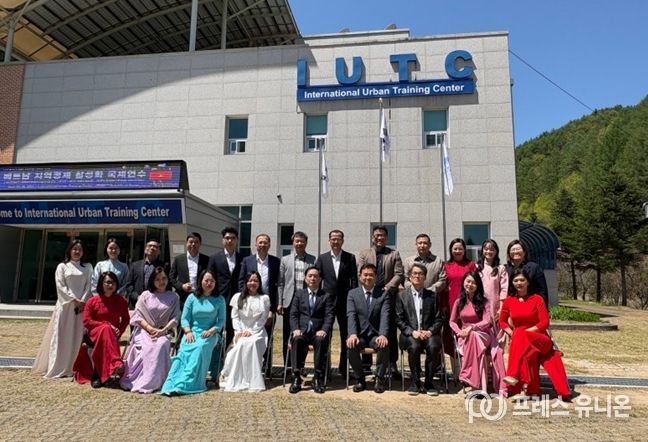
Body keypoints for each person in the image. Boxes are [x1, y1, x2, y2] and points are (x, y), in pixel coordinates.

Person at [499, 268, 570, 399]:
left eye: (522, 280)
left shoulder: (537, 299)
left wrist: (525, 333)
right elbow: (502, 322)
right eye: (516, 280)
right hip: (521, 341)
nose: (519, 283)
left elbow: (544, 322)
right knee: (523, 344)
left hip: (540, 338)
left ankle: (513, 375)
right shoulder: (509, 301)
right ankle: (532, 389)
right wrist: (510, 332)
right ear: (512, 283)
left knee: (520, 335)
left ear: (528, 282)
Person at [33, 239, 93, 378]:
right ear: (69, 250)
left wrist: (82, 301)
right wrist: (74, 299)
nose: (77, 251)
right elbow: (60, 286)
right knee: (61, 336)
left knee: (77, 336)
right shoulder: (62, 267)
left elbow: (89, 286)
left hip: (81, 308)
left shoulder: (88, 267)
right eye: (74, 249)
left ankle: (74, 366)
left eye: (80, 249)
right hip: (65, 306)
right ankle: (58, 366)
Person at [161, 270, 226, 395]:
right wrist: (188, 331)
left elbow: (221, 320)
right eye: (206, 280)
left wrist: (212, 330)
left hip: (211, 334)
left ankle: (187, 383)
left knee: (200, 347)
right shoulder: (192, 298)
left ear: (215, 283)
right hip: (192, 332)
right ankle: (172, 382)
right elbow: (184, 318)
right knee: (183, 351)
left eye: (212, 281)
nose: (209, 283)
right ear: (200, 281)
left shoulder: (219, 299)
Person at [120, 267, 180, 393]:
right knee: (147, 346)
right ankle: (141, 379)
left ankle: (156, 380)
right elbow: (137, 316)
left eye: (164, 278)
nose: (161, 282)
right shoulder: (145, 295)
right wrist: (150, 328)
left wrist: (163, 330)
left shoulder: (174, 297)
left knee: (161, 344)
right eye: (157, 279)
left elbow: (175, 318)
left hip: (163, 331)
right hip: (143, 330)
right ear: (152, 281)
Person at [358, 225, 404, 378]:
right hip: (369, 295)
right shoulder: (364, 253)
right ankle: (366, 364)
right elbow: (360, 272)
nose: (379, 238)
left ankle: (391, 364)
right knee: (367, 327)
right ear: (373, 237)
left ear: (387, 238)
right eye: (377, 235)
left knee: (389, 330)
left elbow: (399, 274)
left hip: (387, 296)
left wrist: (387, 287)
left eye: (382, 235)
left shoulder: (394, 254)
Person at [449, 271, 505, 395]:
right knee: (477, 347)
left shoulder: (484, 302)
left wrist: (472, 328)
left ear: (478, 285)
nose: (470, 285)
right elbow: (452, 321)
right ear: (463, 283)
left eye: (473, 283)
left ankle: (469, 377)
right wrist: (459, 332)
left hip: (483, 334)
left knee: (474, 336)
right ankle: (479, 387)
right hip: (464, 336)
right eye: (468, 281)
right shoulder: (459, 302)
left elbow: (487, 321)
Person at [73, 271, 129, 388]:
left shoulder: (121, 301)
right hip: (93, 333)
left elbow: (125, 319)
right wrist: (106, 325)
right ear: (101, 284)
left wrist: (119, 331)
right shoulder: (92, 301)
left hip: (111, 335)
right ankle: (116, 363)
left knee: (107, 332)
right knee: (106, 329)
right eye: (108, 282)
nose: (111, 285)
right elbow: (87, 321)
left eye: (113, 282)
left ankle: (98, 375)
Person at [395, 263, 444, 396]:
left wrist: (430, 331)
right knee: (414, 346)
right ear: (410, 277)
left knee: (434, 346)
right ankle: (415, 382)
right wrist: (412, 332)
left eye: (421, 274)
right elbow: (399, 319)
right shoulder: (402, 296)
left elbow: (439, 319)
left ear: (425, 277)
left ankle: (429, 382)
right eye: (415, 274)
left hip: (429, 333)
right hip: (409, 334)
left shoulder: (433, 296)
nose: (417, 276)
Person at [315, 229, 358, 375]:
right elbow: (317, 280)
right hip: (326, 302)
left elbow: (354, 280)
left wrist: (353, 299)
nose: (335, 241)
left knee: (346, 334)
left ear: (342, 241)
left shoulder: (350, 258)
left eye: (338, 239)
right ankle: (324, 369)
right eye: (333, 239)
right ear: (329, 241)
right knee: (325, 334)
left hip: (345, 302)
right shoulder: (322, 258)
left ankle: (344, 368)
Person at [220, 271, 272, 392]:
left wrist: (251, 331)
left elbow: (263, 319)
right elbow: (235, 317)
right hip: (240, 331)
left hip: (258, 332)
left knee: (250, 343)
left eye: (256, 281)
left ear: (259, 283)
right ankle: (231, 374)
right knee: (241, 343)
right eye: (250, 280)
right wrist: (238, 331)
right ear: (246, 282)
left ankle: (250, 379)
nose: (253, 283)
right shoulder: (238, 297)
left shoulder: (264, 298)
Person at [288, 266, 335, 394]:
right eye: (310, 276)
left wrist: (324, 330)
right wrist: (295, 329)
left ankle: (317, 377)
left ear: (320, 279)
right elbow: (293, 314)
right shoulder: (299, 294)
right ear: (305, 278)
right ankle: (296, 377)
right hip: (302, 331)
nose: (312, 278)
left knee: (320, 340)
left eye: (315, 276)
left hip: (317, 332)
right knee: (296, 340)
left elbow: (329, 316)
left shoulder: (326, 296)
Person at [238, 233, 280, 374]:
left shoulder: (276, 261)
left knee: (267, 337)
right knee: (249, 335)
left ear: (269, 245)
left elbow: (278, 285)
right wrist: (244, 300)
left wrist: (272, 308)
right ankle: (249, 367)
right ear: (255, 244)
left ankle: (266, 367)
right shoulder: (247, 260)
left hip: (267, 306)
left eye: (265, 242)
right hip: (250, 305)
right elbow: (241, 281)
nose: (263, 245)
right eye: (260, 242)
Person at [346, 264, 391, 394]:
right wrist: (352, 334)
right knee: (351, 345)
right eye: (365, 275)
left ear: (375, 277)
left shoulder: (383, 294)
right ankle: (360, 379)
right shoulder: (352, 294)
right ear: (360, 277)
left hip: (375, 335)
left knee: (384, 345)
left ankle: (379, 379)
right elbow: (351, 315)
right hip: (359, 335)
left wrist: (383, 334)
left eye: (371, 275)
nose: (368, 277)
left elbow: (385, 315)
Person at [278, 231, 316, 366]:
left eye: (302, 241)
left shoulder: (312, 259)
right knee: (288, 335)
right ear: (293, 243)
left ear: (306, 243)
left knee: (303, 334)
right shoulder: (285, 260)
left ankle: (300, 365)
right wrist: (280, 302)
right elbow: (281, 283)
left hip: (305, 302)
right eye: (297, 241)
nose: (299, 243)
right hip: (289, 301)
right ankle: (288, 366)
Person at [207, 227, 243, 350]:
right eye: (227, 238)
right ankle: (216, 355)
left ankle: (229, 354)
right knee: (217, 327)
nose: (230, 241)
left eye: (233, 238)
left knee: (233, 328)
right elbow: (210, 278)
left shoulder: (243, 258)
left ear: (237, 240)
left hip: (237, 299)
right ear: (223, 240)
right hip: (219, 298)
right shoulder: (214, 258)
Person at [442, 238, 478, 354]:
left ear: (464, 250)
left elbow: (477, 284)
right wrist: (443, 305)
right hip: (451, 302)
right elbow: (443, 287)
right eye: (455, 249)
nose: (457, 251)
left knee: (467, 332)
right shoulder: (446, 266)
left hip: (468, 303)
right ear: (451, 250)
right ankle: (455, 363)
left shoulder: (471, 265)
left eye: (460, 249)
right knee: (451, 333)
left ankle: (468, 360)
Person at [124, 239, 168, 310]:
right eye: (150, 246)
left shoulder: (164, 266)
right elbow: (129, 284)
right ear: (145, 250)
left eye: (155, 246)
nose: (152, 248)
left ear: (159, 252)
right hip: (136, 303)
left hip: (157, 303)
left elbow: (167, 284)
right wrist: (137, 297)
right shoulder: (135, 265)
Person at [505, 239, 549, 308]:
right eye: (513, 250)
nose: (515, 251)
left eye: (518, 249)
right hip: (511, 306)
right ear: (509, 253)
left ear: (524, 252)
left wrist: (542, 308)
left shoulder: (534, 268)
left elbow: (542, 290)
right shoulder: (505, 269)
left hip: (531, 306)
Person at [170, 232, 210, 307]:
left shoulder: (206, 260)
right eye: (191, 242)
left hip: (201, 296)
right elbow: (171, 278)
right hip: (183, 297)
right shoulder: (178, 259)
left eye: (196, 242)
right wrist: (182, 286)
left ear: (200, 244)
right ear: (186, 243)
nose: (193, 244)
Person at [477, 239, 508, 321]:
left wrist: (501, 308)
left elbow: (504, 289)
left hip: (495, 303)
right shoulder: (477, 267)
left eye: (491, 249)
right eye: (486, 249)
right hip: (479, 303)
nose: (488, 251)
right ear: (482, 250)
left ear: (496, 251)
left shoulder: (501, 268)